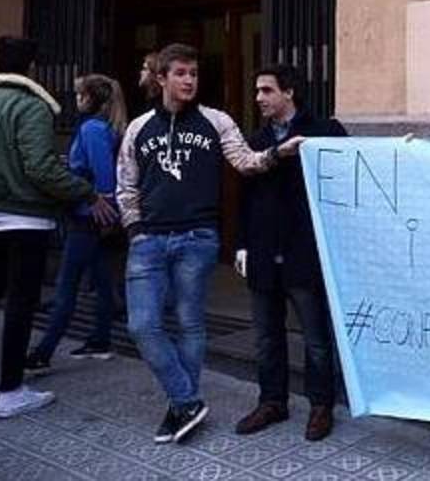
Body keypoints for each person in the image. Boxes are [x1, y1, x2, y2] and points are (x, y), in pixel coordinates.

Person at [116, 43, 305, 444]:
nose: (189, 80)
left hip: (196, 238)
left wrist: (277, 153)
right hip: (148, 239)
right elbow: (126, 184)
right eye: (181, 73)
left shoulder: (215, 121)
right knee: (142, 325)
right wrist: (135, 230)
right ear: (162, 77)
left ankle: (181, 407)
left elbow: (244, 161)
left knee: (190, 323)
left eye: (194, 74)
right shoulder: (138, 127)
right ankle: (186, 399)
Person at [0, 36, 117, 418]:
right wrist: (87, 193)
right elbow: (40, 167)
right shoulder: (31, 106)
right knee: (21, 302)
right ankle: (11, 389)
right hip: (26, 217)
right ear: (32, 66)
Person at [233, 65, 346, 442]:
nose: (259, 98)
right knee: (266, 337)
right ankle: (272, 402)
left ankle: (320, 406)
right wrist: (242, 244)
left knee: (315, 338)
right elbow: (245, 198)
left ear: (290, 92)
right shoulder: (256, 140)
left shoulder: (325, 132)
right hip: (264, 254)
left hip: (304, 253)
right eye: (258, 91)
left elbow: (349, 182)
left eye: (266, 90)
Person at [25, 75, 128, 374]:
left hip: (88, 215)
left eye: (80, 94)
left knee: (67, 284)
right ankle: (100, 340)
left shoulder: (93, 128)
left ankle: (44, 351)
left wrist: (103, 203)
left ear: (92, 98)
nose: (76, 99)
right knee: (103, 281)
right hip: (93, 215)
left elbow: (104, 173)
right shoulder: (102, 127)